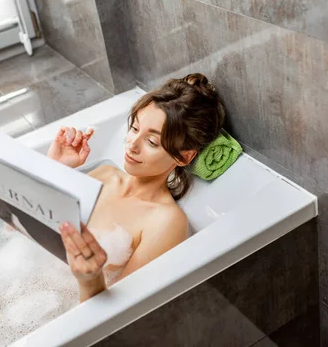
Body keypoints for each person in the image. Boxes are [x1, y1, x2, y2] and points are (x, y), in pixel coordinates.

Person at [48, 73, 225, 302]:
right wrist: (55, 169)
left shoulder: (166, 221)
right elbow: (23, 232)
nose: (132, 144)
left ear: (183, 157)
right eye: (134, 128)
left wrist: (89, 279)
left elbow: (117, 311)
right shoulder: (104, 176)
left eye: (151, 142)